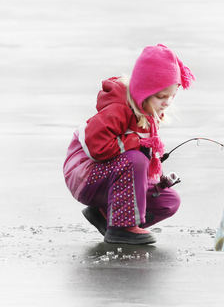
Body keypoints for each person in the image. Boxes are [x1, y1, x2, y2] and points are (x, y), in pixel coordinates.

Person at [63, 44, 196, 245]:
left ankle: (105, 216)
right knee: (135, 159)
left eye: (171, 96)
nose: (167, 102)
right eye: (161, 96)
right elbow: (95, 147)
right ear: (144, 91)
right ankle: (121, 229)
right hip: (85, 176)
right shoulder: (118, 109)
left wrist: (159, 182)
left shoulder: (149, 116)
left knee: (168, 201)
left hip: (113, 176)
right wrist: (138, 143)